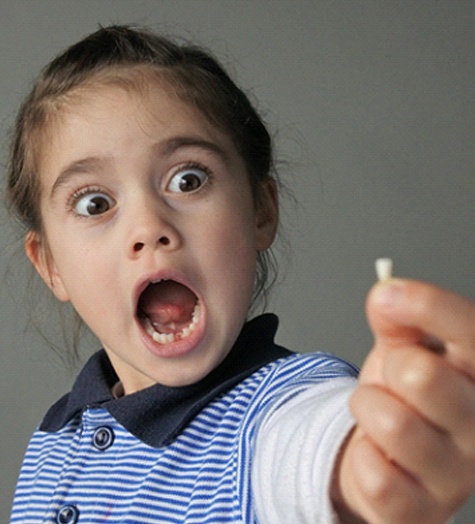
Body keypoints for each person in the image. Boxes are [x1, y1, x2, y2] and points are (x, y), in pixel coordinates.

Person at [6, 25, 475, 524]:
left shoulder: (278, 410)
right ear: (52, 266)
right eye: (95, 203)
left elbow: (320, 450)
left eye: (188, 179)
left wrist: (372, 465)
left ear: (260, 212)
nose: (149, 229)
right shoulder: (53, 440)